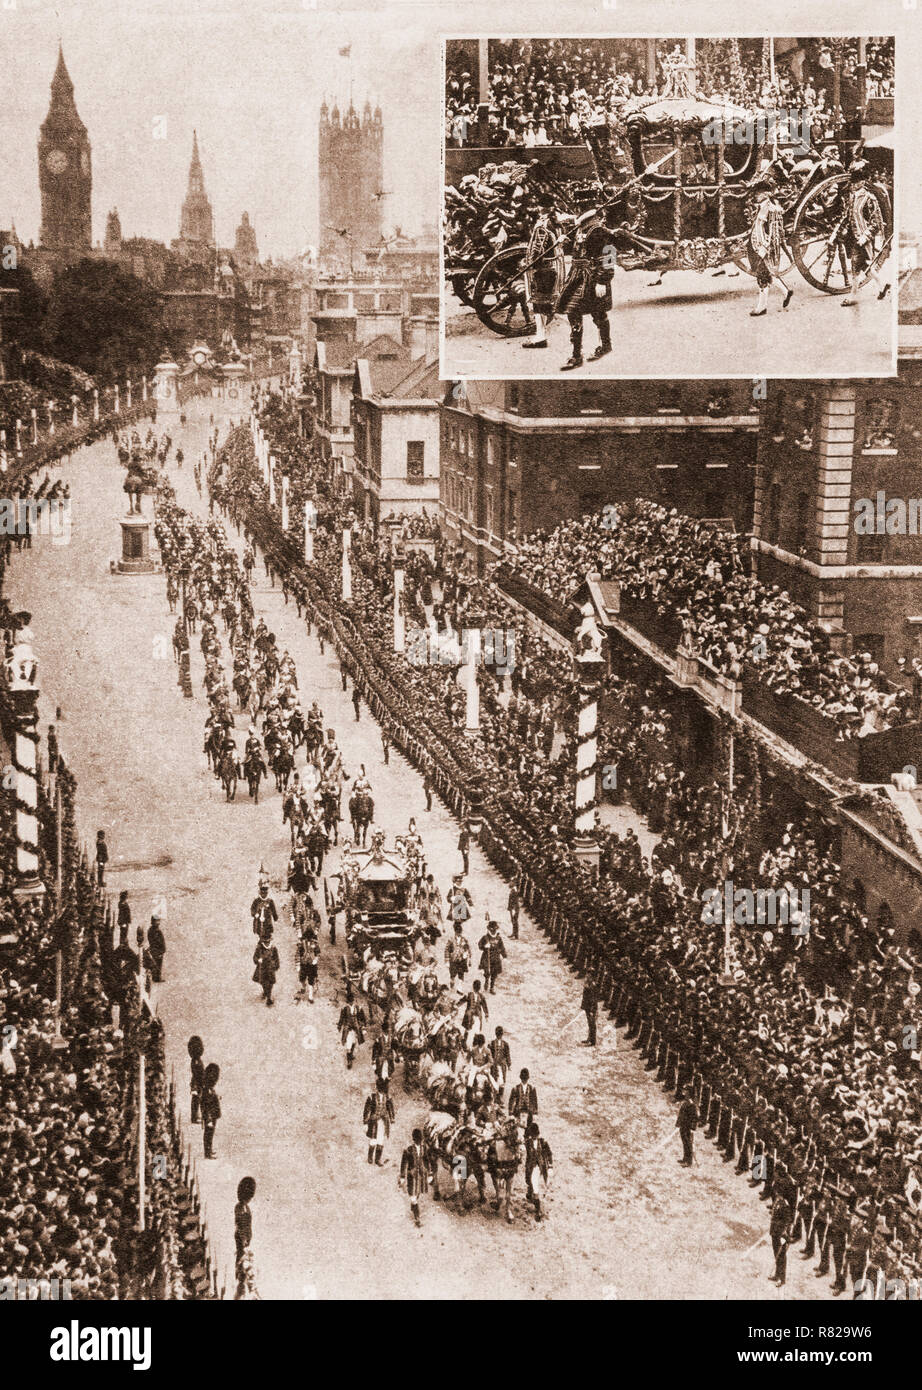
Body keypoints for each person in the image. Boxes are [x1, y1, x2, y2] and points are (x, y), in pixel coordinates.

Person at [558, 204, 614, 369]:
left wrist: (603, 281)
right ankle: (576, 355)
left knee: (598, 313)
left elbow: (609, 256)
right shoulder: (581, 228)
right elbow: (579, 249)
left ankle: (605, 345)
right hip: (577, 277)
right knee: (573, 311)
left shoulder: (599, 230)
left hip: (593, 277)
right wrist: (565, 242)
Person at [746, 176, 793, 317]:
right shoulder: (762, 207)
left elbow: (774, 234)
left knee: (762, 276)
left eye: (758, 193)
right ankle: (785, 291)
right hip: (755, 244)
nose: (756, 196)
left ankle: (762, 307)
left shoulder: (772, 209)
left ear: (766, 194)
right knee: (766, 274)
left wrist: (764, 249)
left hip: (763, 247)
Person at [399, 1128, 431, 1227]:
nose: (420, 1141)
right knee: (413, 1196)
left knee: (417, 1194)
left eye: (421, 1139)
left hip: (421, 1175)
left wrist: (429, 1173)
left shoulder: (424, 1148)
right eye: (418, 1139)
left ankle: (413, 1205)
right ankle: (417, 1219)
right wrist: (402, 1177)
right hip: (412, 1176)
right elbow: (403, 1164)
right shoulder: (408, 1150)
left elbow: (426, 1160)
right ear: (414, 1139)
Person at [524, 1122, 553, 1222]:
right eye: (533, 1135)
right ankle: (530, 1192)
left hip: (539, 1167)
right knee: (529, 1182)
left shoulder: (543, 1142)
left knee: (535, 1185)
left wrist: (550, 1166)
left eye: (535, 1134)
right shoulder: (527, 1142)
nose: (534, 1136)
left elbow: (549, 1154)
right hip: (529, 1167)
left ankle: (538, 1211)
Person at [363, 1079, 395, 1166]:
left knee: (381, 1139)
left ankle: (377, 1159)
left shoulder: (387, 1097)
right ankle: (370, 1158)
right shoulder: (372, 1097)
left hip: (383, 1122)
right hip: (374, 1122)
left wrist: (392, 1119)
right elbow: (367, 1110)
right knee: (373, 1139)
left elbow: (390, 1108)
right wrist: (365, 1122)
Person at [770, 1191, 793, 1286]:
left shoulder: (785, 1206)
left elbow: (788, 1222)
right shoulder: (778, 1202)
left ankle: (782, 1279)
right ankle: (777, 1274)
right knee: (776, 1254)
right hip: (775, 1232)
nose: (776, 1194)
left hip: (781, 1235)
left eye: (778, 1193)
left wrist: (784, 1234)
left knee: (782, 1257)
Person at [252, 926, 280, 1006]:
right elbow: (255, 957)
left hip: (270, 968)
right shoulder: (259, 948)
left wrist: (276, 965)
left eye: (268, 941)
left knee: (270, 982)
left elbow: (276, 958)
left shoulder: (273, 948)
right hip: (262, 968)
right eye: (265, 942)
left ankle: (269, 998)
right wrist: (258, 960)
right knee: (263, 982)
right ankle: (266, 992)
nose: (267, 943)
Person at [478, 919, 507, 993]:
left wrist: (504, 956)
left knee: (494, 973)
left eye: (495, 929)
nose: (493, 931)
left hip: (496, 958)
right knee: (487, 971)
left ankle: (492, 987)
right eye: (492, 929)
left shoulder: (498, 938)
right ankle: (486, 980)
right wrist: (485, 946)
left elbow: (502, 947)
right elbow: (480, 945)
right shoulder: (485, 937)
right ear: (489, 929)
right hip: (487, 958)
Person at [200, 1062, 221, 1159]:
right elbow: (206, 1105)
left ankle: (209, 1150)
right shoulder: (207, 1090)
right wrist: (208, 1119)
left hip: (212, 1115)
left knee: (210, 1134)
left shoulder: (209, 1088)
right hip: (210, 1116)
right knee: (208, 1134)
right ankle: (207, 1153)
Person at [509, 1068, 538, 1132]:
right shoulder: (515, 1088)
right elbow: (511, 1101)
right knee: (517, 1128)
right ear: (520, 1078)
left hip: (529, 1112)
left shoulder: (532, 1088)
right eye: (523, 1078)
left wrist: (535, 1113)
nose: (524, 1080)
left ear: (528, 1078)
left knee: (528, 1128)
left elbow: (534, 1101)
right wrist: (511, 1113)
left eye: (525, 1078)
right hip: (518, 1112)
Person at [676, 1089, 698, 1167]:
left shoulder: (692, 1106)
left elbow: (695, 1118)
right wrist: (678, 1124)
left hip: (688, 1128)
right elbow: (680, 1115)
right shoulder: (685, 1104)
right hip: (683, 1127)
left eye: (687, 1094)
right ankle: (685, 1158)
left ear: (689, 1096)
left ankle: (689, 1162)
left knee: (688, 1144)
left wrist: (692, 1129)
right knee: (685, 1143)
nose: (685, 1094)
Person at [146, 914, 166, 983]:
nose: (158, 923)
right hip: (156, 950)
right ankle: (156, 978)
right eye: (156, 921)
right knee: (157, 963)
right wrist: (161, 950)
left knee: (158, 963)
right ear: (153, 922)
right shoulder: (154, 931)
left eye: (158, 921)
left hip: (158, 950)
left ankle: (157, 977)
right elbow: (158, 941)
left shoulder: (154, 930)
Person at [581, 978, 599, 1046]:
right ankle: (589, 1038)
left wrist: (592, 1009)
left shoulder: (592, 985)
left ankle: (593, 1041)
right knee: (590, 1024)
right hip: (587, 1007)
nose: (587, 976)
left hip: (591, 1008)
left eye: (589, 974)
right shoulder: (588, 983)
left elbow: (593, 999)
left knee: (592, 1024)